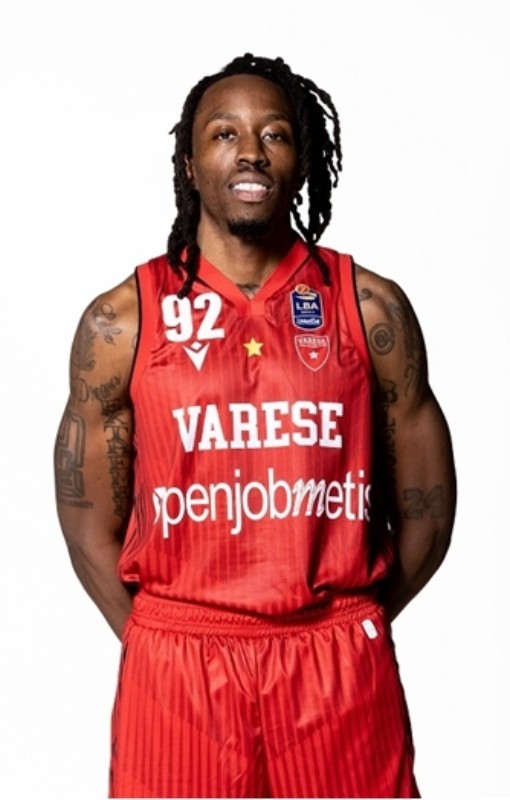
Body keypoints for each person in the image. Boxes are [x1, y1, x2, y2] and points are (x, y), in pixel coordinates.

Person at [54, 53, 456, 798]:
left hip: (336, 661)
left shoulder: (369, 308)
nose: (250, 152)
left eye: (274, 134)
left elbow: (427, 515)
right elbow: (86, 527)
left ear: (300, 160)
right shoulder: (122, 321)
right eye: (224, 134)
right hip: (177, 664)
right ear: (189, 163)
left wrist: (344, 623)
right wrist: (161, 637)